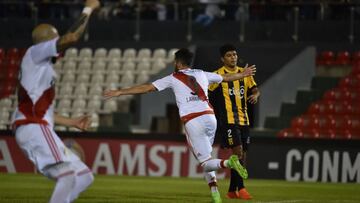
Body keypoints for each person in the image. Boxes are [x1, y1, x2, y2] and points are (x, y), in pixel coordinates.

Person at [103, 48, 256, 203]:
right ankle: (215, 193)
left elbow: (147, 88)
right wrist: (243, 74)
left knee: (205, 163)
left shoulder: (173, 77)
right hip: (210, 118)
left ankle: (230, 162)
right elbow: (226, 78)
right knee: (207, 157)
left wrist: (120, 92)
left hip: (193, 121)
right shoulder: (202, 73)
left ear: (177, 63)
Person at [11, 0, 100, 202]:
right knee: (67, 174)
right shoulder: (35, 53)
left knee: (84, 177)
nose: (60, 39)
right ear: (47, 41)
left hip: (36, 126)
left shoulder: (40, 67)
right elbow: (72, 36)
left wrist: (72, 122)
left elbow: (43, 111)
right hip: (33, 128)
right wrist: (89, 8)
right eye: (56, 37)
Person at [209, 44, 260, 200]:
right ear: (222, 59)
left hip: (244, 120)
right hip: (229, 121)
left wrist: (256, 95)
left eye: (235, 54)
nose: (233, 57)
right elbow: (206, 93)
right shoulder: (217, 75)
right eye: (229, 55)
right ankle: (242, 188)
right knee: (237, 153)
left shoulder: (244, 73)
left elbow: (255, 89)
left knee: (242, 156)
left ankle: (232, 190)